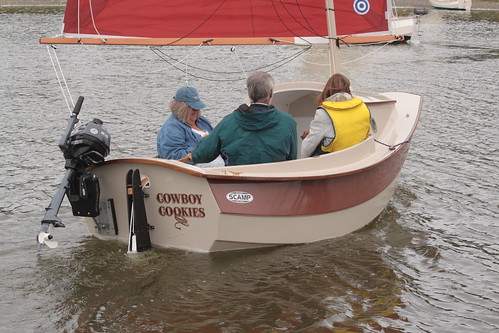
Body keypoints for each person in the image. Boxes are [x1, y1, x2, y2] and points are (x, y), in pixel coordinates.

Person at [183, 71, 297, 166]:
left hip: (239, 183)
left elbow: (203, 154)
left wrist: (198, 148)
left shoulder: (229, 122)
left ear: (249, 94)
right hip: (275, 181)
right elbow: (292, 159)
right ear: (271, 93)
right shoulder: (288, 122)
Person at [300, 73, 373, 158]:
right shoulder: (362, 106)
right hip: (359, 152)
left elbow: (309, 144)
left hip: (335, 158)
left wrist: (303, 160)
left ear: (327, 90)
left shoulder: (324, 113)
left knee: (310, 139)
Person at [157, 86, 225, 167]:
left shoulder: (202, 121)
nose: (197, 112)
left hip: (217, 161)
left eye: (198, 108)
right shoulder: (171, 128)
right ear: (181, 108)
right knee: (217, 164)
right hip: (191, 169)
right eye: (193, 109)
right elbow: (172, 157)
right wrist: (202, 145)